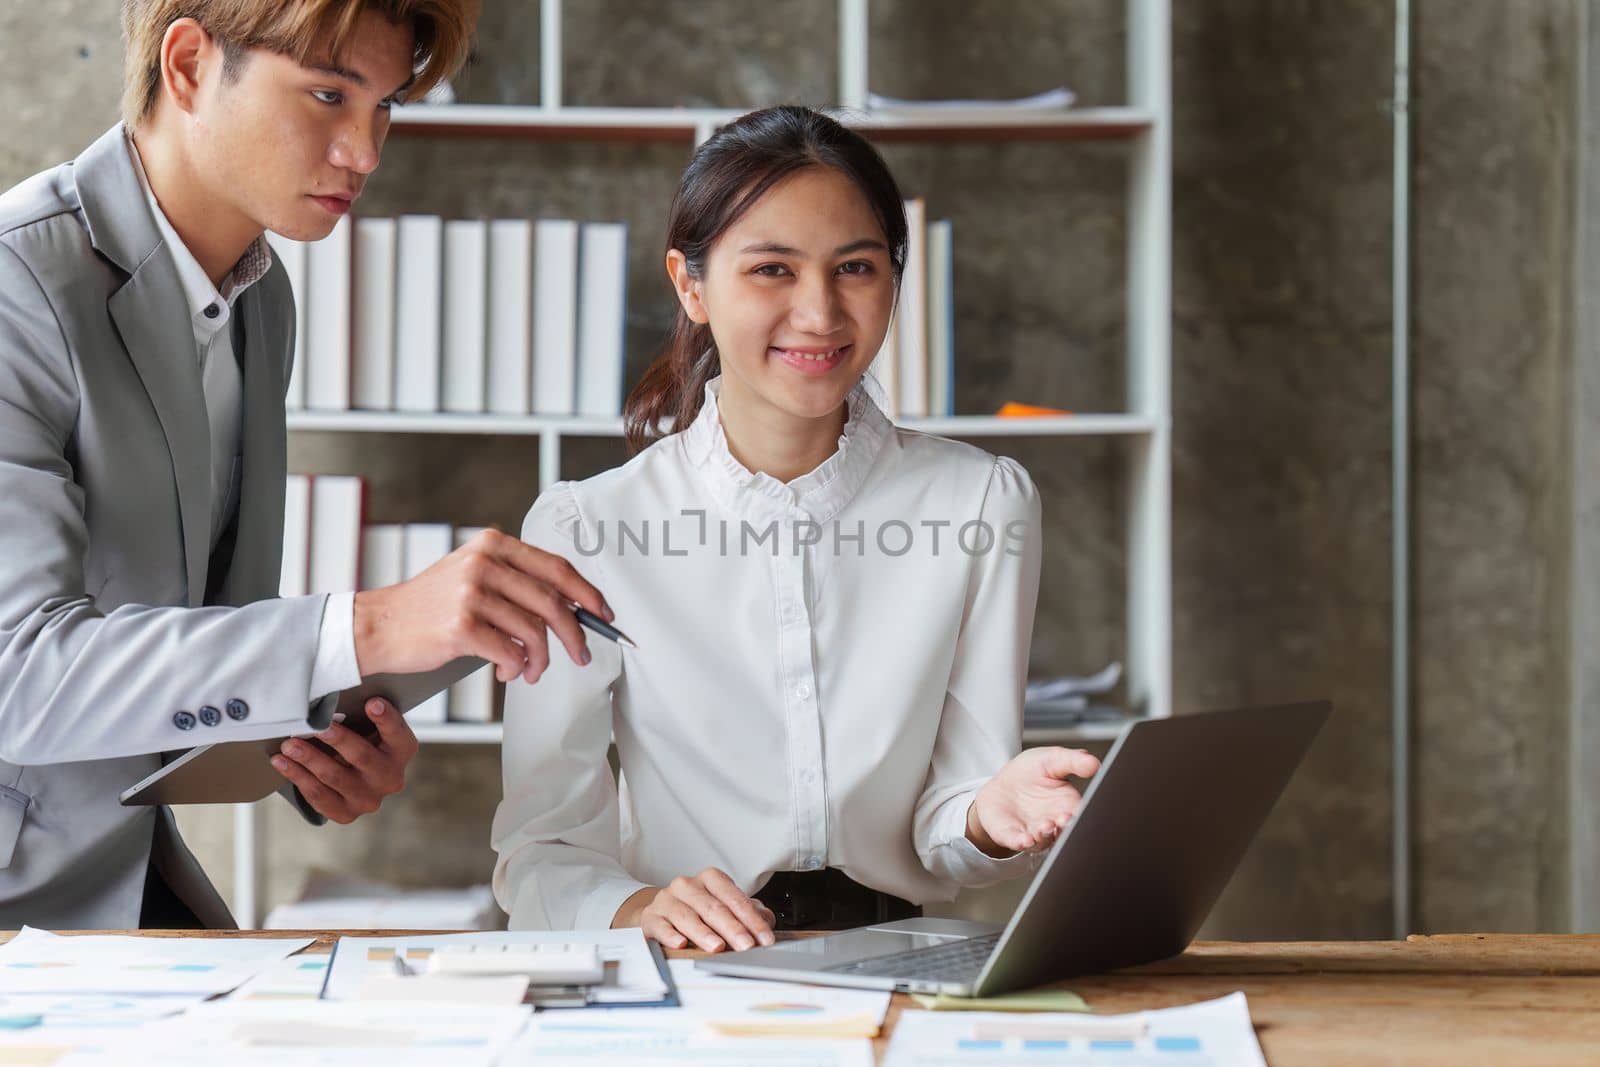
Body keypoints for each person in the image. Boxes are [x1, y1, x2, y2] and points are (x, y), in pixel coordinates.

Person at [0, 0, 612, 929]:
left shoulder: (258, 295)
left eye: (385, 109)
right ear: (191, 64)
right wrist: (364, 629)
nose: (364, 153)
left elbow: (192, 628)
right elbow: (18, 676)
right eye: (328, 96)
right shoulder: (17, 286)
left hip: (120, 880)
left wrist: (301, 735)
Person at [492, 105, 1101, 952]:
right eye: (772, 269)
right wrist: (635, 909)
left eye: (855, 266)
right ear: (691, 285)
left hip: (907, 961)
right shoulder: (585, 527)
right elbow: (542, 846)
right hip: (686, 970)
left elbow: (948, 824)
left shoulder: (982, 501)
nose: (819, 313)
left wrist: (991, 814)